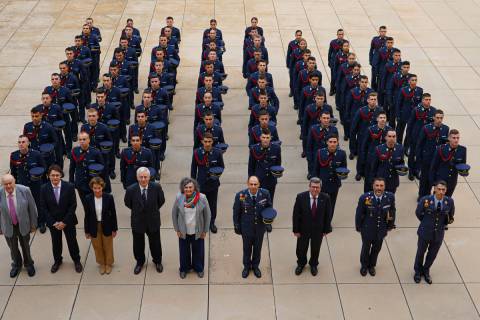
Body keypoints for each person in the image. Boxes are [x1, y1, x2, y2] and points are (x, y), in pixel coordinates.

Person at [39, 165, 82, 273]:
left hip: (68, 221)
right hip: (53, 223)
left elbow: (73, 206)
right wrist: (53, 222)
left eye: (57, 175)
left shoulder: (69, 187)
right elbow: (43, 207)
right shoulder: (44, 188)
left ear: (61, 175)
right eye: (52, 175)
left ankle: (76, 260)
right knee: (56, 243)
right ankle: (57, 261)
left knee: (72, 242)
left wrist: (64, 222)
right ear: (48, 176)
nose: (55, 177)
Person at [124, 167, 165, 275]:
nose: (143, 179)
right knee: (138, 244)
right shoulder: (131, 190)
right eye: (141, 177)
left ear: (149, 177)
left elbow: (161, 201)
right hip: (138, 221)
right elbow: (128, 203)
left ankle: (157, 261)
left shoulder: (156, 187)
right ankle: (139, 262)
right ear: (137, 178)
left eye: (145, 177)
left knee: (155, 243)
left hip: (153, 221)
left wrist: (152, 210)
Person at [414, 180, 454, 284]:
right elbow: (419, 213)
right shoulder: (425, 200)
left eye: (443, 190)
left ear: (445, 191)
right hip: (425, 232)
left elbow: (450, 215)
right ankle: (417, 271)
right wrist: (426, 222)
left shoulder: (449, 201)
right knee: (420, 253)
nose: (441, 191)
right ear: (434, 189)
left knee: (432, 254)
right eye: (439, 189)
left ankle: (426, 270)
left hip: (438, 234)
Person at [355, 177, 396, 277]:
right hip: (367, 229)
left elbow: (392, 211)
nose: (379, 188)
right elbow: (359, 213)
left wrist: (390, 225)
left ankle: (372, 265)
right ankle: (364, 266)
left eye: (381, 186)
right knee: (366, 248)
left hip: (381, 229)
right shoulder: (365, 198)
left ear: (384, 187)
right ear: (373, 186)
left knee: (376, 249)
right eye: (377, 185)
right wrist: (358, 227)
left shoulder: (389, 197)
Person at [233, 176, 272, 278]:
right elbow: (236, 211)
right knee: (247, 249)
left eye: (255, 184)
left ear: (259, 184)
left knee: (257, 249)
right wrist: (236, 225)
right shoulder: (241, 195)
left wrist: (268, 222)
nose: (253, 186)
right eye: (251, 184)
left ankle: (255, 267)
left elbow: (269, 208)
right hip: (246, 228)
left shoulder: (265, 194)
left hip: (260, 228)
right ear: (247, 184)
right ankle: (246, 267)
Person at [292, 177, 332, 276]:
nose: (315, 189)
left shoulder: (325, 198)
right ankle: (301, 264)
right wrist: (296, 230)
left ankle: (313, 265)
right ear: (309, 187)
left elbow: (328, 215)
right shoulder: (301, 197)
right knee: (301, 249)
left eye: (317, 187)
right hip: (303, 230)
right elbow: (296, 214)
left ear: (320, 188)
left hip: (318, 231)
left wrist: (326, 229)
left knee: (315, 249)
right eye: (313, 187)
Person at [172, 177, 211, 279]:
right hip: (183, 231)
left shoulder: (202, 198)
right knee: (183, 251)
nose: (188, 189)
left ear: (194, 188)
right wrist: (177, 229)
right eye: (186, 187)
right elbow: (174, 214)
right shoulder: (179, 197)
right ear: (182, 188)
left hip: (197, 231)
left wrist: (205, 230)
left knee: (199, 251)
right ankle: (184, 269)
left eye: (190, 187)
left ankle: (199, 268)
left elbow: (208, 215)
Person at [0, 174, 37, 278]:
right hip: (8, 225)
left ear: (14, 181)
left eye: (10, 183)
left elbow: (32, 208)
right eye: (5, 184)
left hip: (23, 224)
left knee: (25, 246)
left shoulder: (25, 190)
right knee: (13, 247)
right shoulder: (0, 193)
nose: (8, 186)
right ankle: (16, 264)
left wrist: (33, 224)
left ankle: (29, 264)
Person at [191, 133, 225, 233]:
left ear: (212, 142)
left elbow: (222, 167)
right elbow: (193, 169)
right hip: (201, 184)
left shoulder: (217, 153)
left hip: (213, 184)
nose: (207, 144)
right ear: (202, 142)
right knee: (200, 205)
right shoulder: (197, 153)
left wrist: (216, 175)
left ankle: (212, 222)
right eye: (205, 141)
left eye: (209, 141)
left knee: (212, 204)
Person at [84, 177, 118, 275]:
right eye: (95, 188)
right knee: (97, 246)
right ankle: (102, 263)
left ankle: (108, 263)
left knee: (108, 245)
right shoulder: (88, 198)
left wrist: (114, 229)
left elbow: (113, 214)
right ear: (92, 188)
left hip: (107, 225)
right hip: (93, 226)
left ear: (102, 187)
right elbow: (87, 215)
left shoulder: (108, 197)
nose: (97, 190)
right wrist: (87, 231)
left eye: (99, 188)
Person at [429, 129, 467, 197]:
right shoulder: (441, 149)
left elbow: (462, 165)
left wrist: (464, 172)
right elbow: (433, 166)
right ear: (449, 138)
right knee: (436, 200)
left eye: (458, 138)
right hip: (440, 181)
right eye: (454, 138)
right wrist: (433, 183)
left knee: (447, 202)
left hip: (452, 182)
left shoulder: (462, 150)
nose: (456, 140)